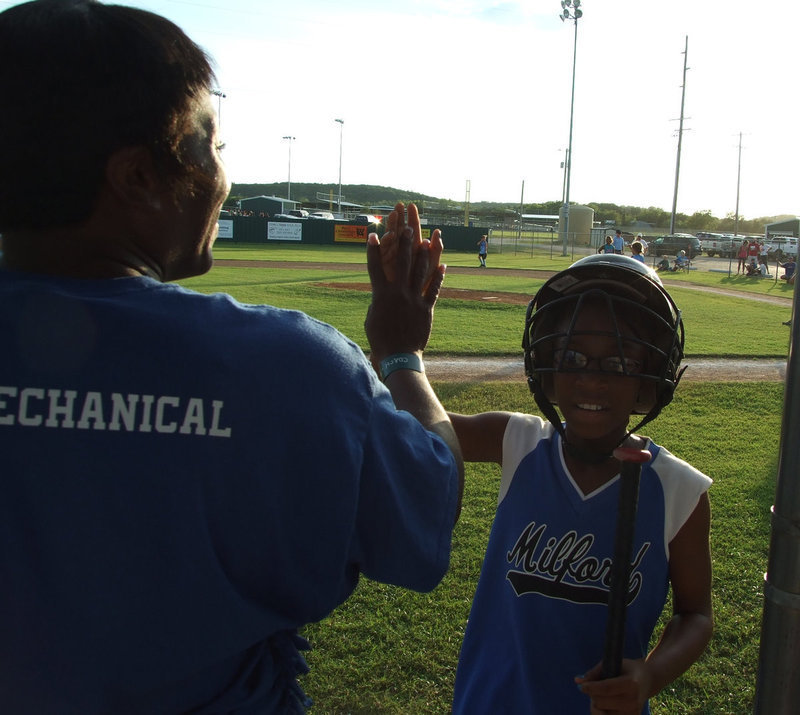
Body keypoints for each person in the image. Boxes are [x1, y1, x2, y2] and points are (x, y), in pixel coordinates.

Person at [0, 2, 464, 712]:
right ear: (137, 177)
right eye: (209, 144)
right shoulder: (291, 365)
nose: (222, 176)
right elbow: (426, 508)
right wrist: (401, 354)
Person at [449, 254, 712, 714]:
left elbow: (695, 615)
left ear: (650, 376)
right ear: (546, 364)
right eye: (571, 356)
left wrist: (651, 673)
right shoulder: (519, 442)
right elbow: (417, 423)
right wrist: (399, 348)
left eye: (619, 360)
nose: (592, 378)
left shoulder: (679, 490)